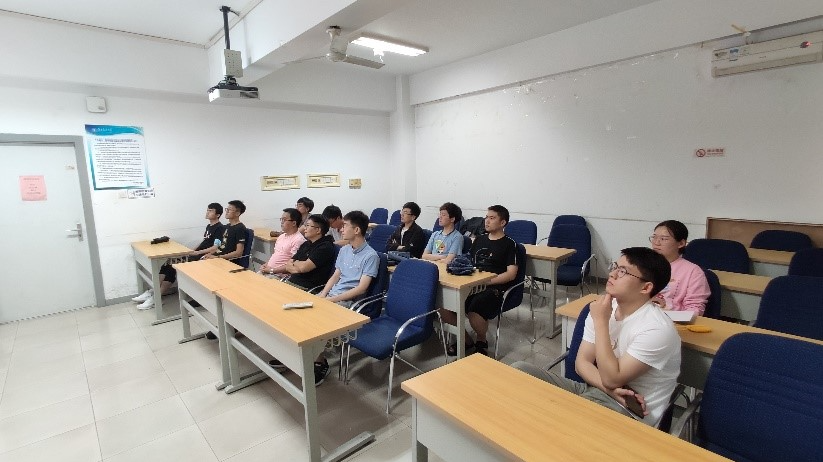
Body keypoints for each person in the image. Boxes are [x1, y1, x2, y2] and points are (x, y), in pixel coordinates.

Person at [513, 247, 681, 427]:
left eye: (623, 271)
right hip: (595, 389)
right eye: (615, 267)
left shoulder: (656, 329)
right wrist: (610, 390)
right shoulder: (604, 307)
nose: (612, 274)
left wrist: (601, 322)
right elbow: (582, 363)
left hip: (628, 412)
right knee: (518, 370)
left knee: (556, 419)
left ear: (646, 287)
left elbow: (612, 379)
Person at [440, 205, 517, 356]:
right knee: (444, 305)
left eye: (492, 218)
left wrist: (486, 282)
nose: (486, 221)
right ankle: (466, 340)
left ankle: (481, 340)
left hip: (493, 287)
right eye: (486, 217)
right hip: (472, 282)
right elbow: (469, 262)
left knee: (474, 308)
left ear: (503, 222)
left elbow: (511, 274)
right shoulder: (479, 240)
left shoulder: (509, 244)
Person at [312, 210, 379, 385]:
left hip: (349, 301)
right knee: (305, 311)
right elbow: (335, 276)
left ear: (356, 230)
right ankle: (303, 355)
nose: (341, 230)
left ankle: (320, 361)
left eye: (345, 226)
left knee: (318, 319)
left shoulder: (371, 256)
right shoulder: (344, 250)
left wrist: (331, 300)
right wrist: (323, 294)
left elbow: (361, 288)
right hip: (333, 296)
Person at [133, 202, 225, 310]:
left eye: (211, 211)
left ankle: (155, 298)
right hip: (197, 254)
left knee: (173, 267)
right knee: (167, 264)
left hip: (203, 257)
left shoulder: (220, 228)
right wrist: (192, 250)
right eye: (207, 210)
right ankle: (153, 292)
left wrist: (197, 253)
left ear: (218, 215)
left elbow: (215, 247)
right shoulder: (209, 226)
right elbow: (205, 242)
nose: (207, 212)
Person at [649, 220, 710, 315]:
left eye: (664, 239)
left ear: (681, 243)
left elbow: (695, 308)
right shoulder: (642, 264)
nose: (656, 242)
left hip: (672, 320)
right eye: (654, 237)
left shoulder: (693, 271)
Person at [283, 214, 336, 290]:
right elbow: (288, 265)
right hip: (292, 282)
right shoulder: (306, 244)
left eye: (308, 225)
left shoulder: (325, 247)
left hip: (307, 287)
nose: (305, 228)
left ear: (318, 230)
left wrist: (297, 264)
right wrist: (299, 266)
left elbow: (304, 268)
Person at [260, 208, 306, 276]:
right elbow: (276, 255)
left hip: (280, 276)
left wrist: (272, 270)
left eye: (284, 220)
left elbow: (293, 264)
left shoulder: (299, 240)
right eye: (281, 219)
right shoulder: (282, 236)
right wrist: (266, 265)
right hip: (269, 271)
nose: (281, 222)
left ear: (294, 223)